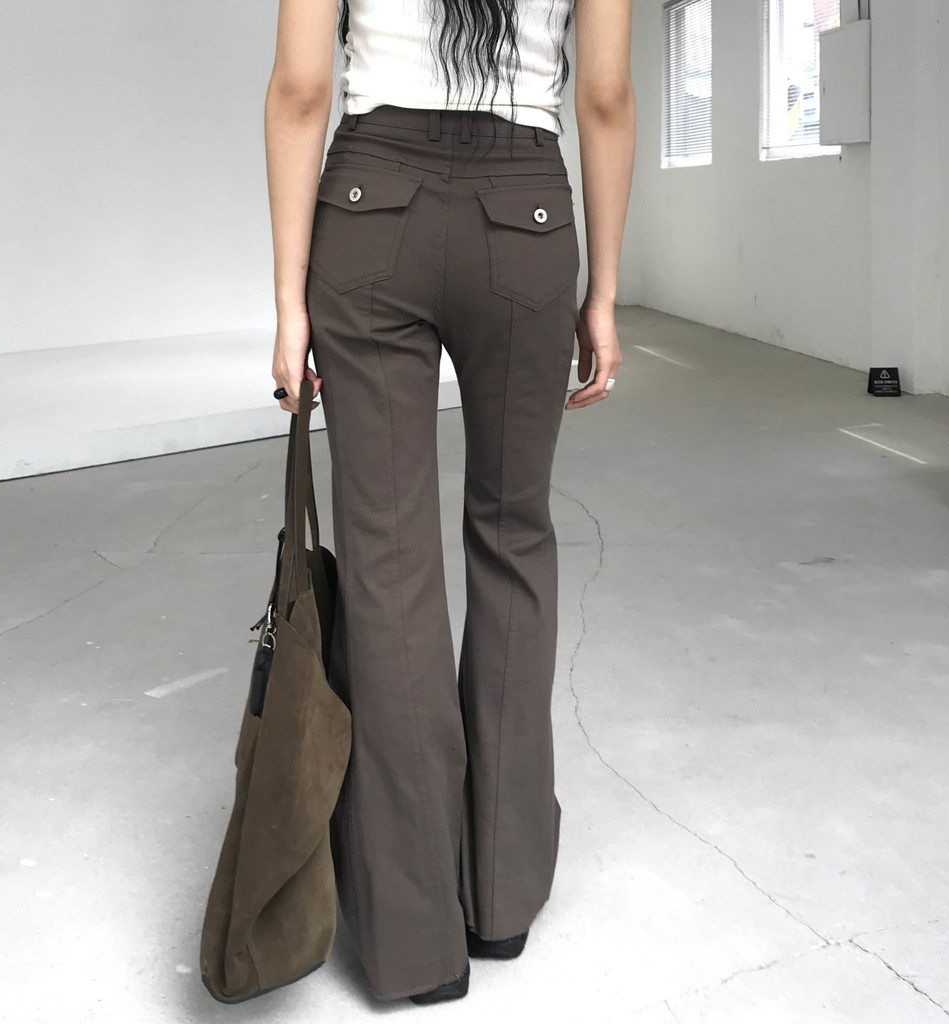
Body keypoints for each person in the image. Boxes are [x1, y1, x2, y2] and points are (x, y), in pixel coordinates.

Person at [264, 0, 634, 1006]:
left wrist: (290, 300)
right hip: (527, 217)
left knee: (385, 561)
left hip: (369, 208)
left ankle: (415, 935)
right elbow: (603, 96)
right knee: (515, 537)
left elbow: (301, 89)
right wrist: (602, 294)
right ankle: (501, 898)